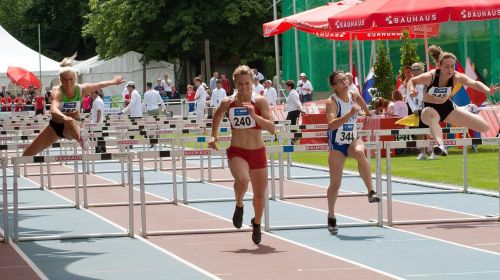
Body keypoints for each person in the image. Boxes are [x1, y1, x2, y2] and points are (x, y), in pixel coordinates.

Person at [208, 65, 275, 245]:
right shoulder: (228, 102)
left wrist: (255, 116)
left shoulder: (260, 101)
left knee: (260, 194)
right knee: (243, 180)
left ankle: (257, 224)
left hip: (258, 152)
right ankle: (239, 204)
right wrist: (213, 136)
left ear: (253, 83)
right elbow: (217, 115)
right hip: (237, 151)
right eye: (241, 84)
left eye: (247, 84)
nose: (244, 88)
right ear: (235, 85)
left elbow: (272, 128)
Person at [22, 54, 125, 156]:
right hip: (55, 126)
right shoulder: (57, 91)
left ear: (75, 79)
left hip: (74, 126)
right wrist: (64, 117)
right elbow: (53, 109)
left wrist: (113, 82)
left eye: (71, 79)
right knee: (27, 154)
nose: (68, 83)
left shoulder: (81, 89)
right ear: (60, 80)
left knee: (70, 121)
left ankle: (82, 139)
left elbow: (99, 84)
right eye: (65, 80)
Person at [408, 45, 498, 156]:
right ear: (439, 66)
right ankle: (441, 146)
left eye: (452, 66)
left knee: (484, 127)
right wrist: (412, 90)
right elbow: (412, 81)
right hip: (428, 109)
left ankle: (465, 109)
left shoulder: (457, 77)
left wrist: (488, 90)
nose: (450, 70)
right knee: (432, 116)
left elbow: (474, 83)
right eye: (446, 67)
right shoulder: (430, 76)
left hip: (447, 108)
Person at [325, 71, 381, 235]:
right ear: (334, 86)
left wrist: (368, 114)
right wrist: (349, 115)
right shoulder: (332, 102)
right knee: (335, 184)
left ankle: (371, 191)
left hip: (352, 139)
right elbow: (331, 125)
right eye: (340, 81)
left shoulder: (354, 95)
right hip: (337, 144)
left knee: (359, 151)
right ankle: (331, 215)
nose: (345, 82)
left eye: (345, 79)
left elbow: (365, 106)